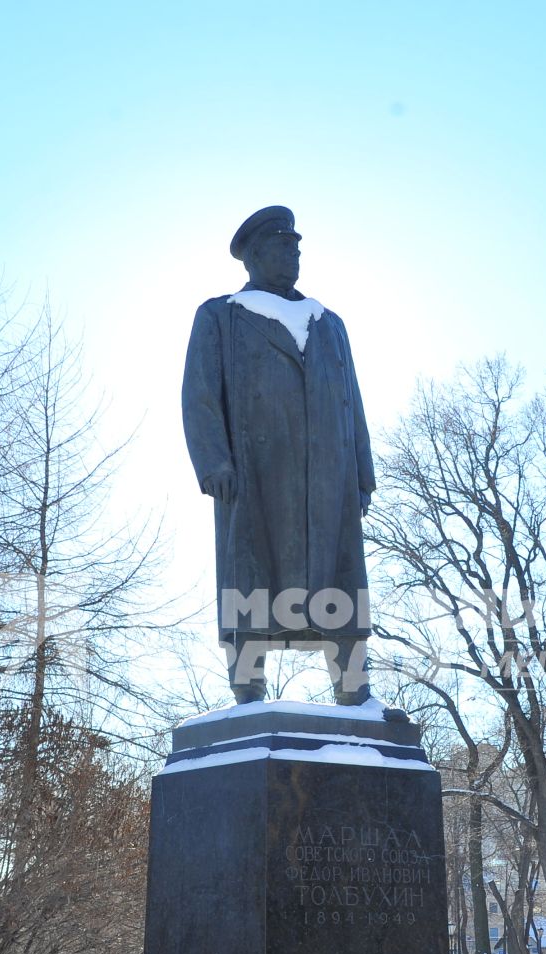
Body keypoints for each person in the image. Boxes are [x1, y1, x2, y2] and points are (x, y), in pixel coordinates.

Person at [181, 205, 375, 705]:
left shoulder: (329, 323)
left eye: (297, 246)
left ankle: (353, 690)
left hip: (330, 479)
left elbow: (352, 398)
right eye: (283, 245)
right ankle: (248, 689)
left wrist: (363, 474)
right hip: (255, 475)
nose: (294, 253)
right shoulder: (221, 316)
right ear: (254, 255)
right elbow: (200, 395)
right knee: (251, 580)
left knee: (341, 582)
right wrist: (214, 463)